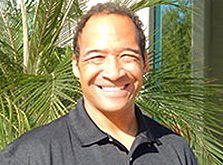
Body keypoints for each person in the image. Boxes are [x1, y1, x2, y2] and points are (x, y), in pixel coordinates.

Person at [0, 2, 197, 165]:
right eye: (96, 57)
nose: (114, 73)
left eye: (127, 56)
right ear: (76, 66)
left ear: (145, 63)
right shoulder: (31, 156)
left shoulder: (176, 151)